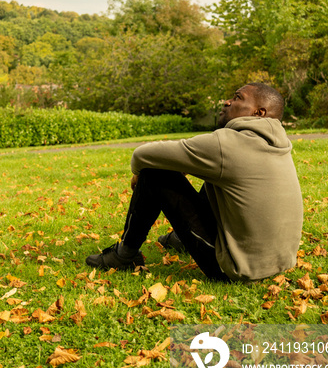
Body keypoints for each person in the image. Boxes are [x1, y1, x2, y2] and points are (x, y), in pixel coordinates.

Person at [85, 83, 303, 282]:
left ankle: (125, 255)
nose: (227, 102)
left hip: (235, 268)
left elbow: (142, 155)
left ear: (258, 113)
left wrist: (138, 174)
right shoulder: (278, 144)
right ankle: (181, 239)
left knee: (154, 173)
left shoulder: (227, 145)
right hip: (277, 263)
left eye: (237, 98)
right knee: (216, 178)